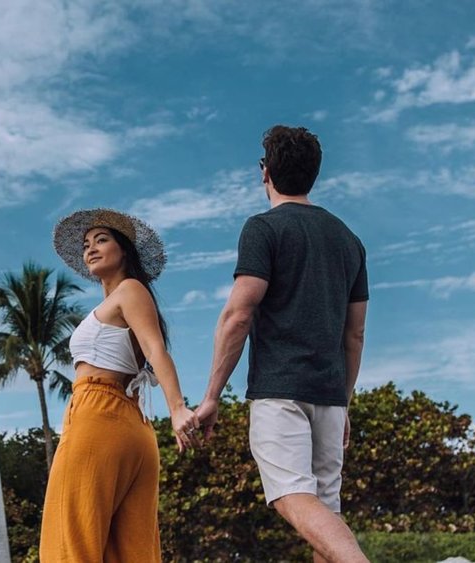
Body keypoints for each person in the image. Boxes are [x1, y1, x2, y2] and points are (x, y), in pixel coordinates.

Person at [195, 126, 370, 563]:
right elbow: (355, 334)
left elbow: (238, 315)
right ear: (314, 174)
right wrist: (344, 401)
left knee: (290, 497)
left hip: (281, 390)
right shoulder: (350, 241)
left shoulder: (264, 229)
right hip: (330, 397)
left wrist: (212, 395)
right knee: (324, 517)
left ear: (265, 173)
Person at [40, 208, 201, 563]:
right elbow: (154, 348)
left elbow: (156, 348)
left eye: (102, 240)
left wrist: (177, 408)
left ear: (124, 250)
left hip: (98, 417)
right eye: (86, 244)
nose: (91, 248)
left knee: (71, 541)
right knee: (130, 551)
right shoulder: (122, 298)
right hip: (131, 426)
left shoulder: (129, 290)